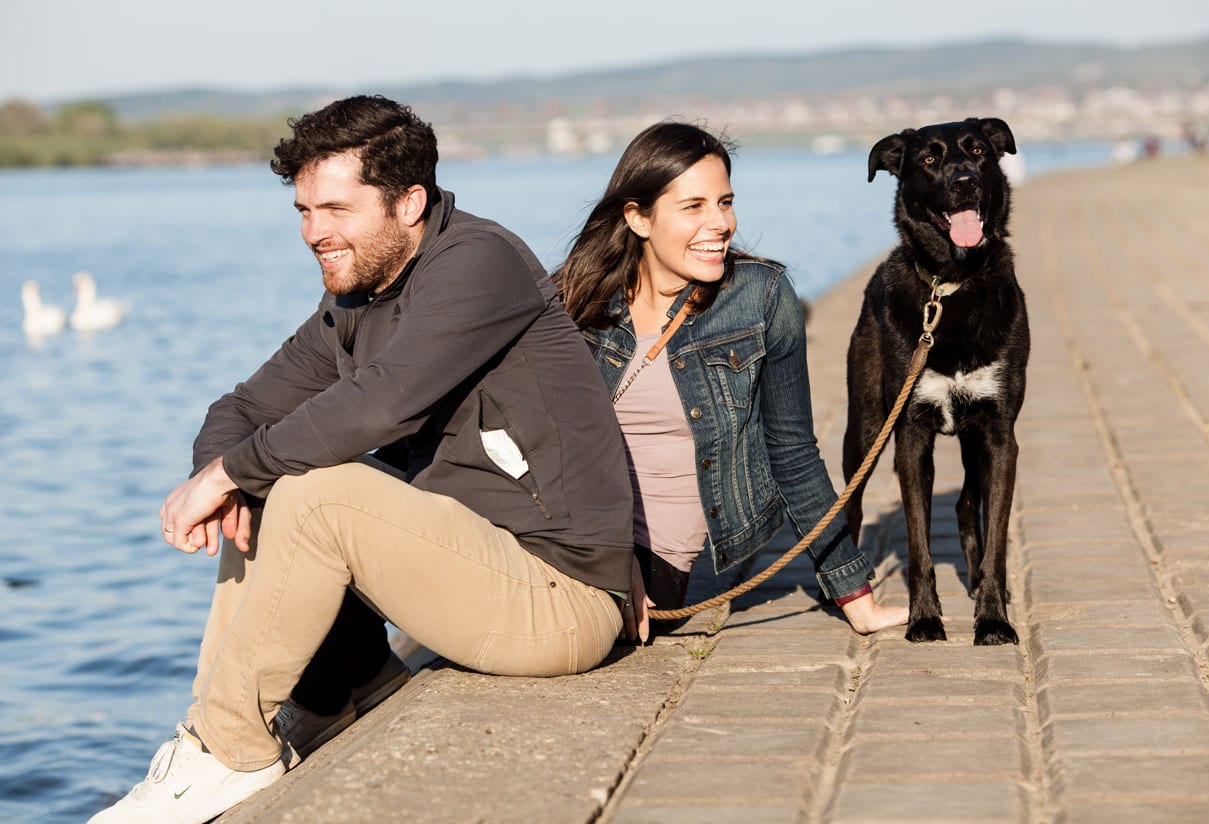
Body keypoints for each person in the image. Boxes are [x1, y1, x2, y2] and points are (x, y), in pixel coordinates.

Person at [90, 96, 634, 824]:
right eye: (305, 211)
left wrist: (231, 474)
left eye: (337, 210)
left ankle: (227, 751)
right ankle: (334, 690)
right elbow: (242, 409)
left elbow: (385, 403)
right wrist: (223, 476)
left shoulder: (479, 263)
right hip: (474, 574)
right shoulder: (354, 298)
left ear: (410, 202)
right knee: (266, 473)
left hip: (563, 599)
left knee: (316, 488)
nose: (316, 233)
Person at [554, 122, 909, 643]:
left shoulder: (759, 299)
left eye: (724, 202)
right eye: (693, 206)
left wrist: (855, 595)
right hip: (584, 542)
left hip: (665, 569)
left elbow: (792, 452)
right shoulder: (582, 298)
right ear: (639, 219)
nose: (720, 223)